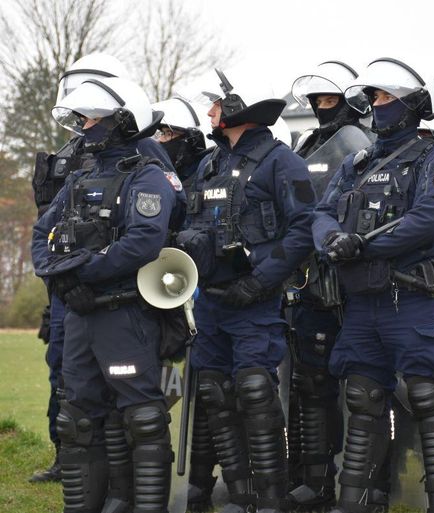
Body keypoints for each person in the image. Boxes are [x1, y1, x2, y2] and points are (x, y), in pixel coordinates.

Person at [312, 57, 434, 513]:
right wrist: (333, 241)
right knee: (362, 401)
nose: (375, 106)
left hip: (413, 298)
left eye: (383, 97)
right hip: (362, 304)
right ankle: (354, 503)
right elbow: (320, 214)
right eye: (373, 98)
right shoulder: (357, 163)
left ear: (411, 105)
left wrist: (363, 247)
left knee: (429, 402)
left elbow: (428, 220)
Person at [32, 76, 184, 513]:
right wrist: (59, 279)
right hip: (79, 314)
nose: (83, 125)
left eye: (91, 117)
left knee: (141, 418)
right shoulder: (80, 177)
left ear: (120, 121)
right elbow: (43, 234)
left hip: (124, 315)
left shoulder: (146, 176)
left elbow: (143, 242)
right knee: (77, 418)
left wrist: (84, 275)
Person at [177, 67, 315, 513]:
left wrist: (261, 280)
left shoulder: (282, 161)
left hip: (256, 302)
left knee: (255, 393)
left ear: (241, 108)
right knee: (216, 394)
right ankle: (239, 496)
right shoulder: (209, 163)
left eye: (217, 104)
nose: (211, 111)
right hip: (212, 302)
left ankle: (271, 500)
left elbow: (303, 229)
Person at [286, 60, 372, 510]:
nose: (322, 108)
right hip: (308, 277)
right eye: (316, 100)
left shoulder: (364, 143)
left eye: (330, 100)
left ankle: (371, 482)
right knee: (312, 384)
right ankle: (318, 479)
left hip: (353, 276)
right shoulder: (307, 143)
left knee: (364, 388)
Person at [153, 96, 213, 195]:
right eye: (162, 133)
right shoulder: (167, 179)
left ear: (193, 141)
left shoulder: (204, 185)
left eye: (168, 134)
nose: (160, 140)